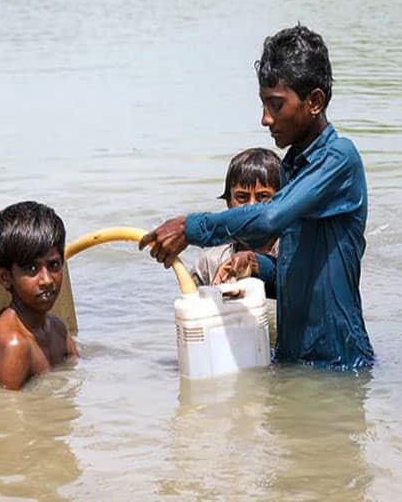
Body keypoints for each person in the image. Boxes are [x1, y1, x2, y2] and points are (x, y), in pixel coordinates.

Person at [139, 24, 374, 369]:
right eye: (264, 104)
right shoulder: (292, 166)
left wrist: (190, 228)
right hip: (292, 364)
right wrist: (254, 265)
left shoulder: (340, 160)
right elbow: (297, 280)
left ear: (314, 102)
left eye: (276, 105)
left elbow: (268, 219)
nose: (265, 118)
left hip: (340, 367)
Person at [0, 201, 78, 390]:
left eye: (54, 265)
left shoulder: (57, 329)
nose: (47, 280)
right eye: (32, 268)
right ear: (5, 277)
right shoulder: (14, 345)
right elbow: (6, 407)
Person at [192, 147, 281, 287]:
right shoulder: (209, 263)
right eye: (242, 197)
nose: (251, 208)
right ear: (229, 202)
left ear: (281, 201)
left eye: (263, 197)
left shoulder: (291, 254)